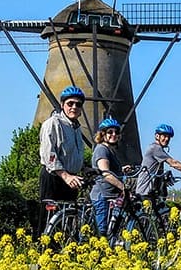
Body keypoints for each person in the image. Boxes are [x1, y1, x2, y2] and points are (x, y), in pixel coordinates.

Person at [38, 86, 87, 233]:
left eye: (78, 104)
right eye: (70, 103)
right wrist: (65, 176)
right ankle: (44, 250)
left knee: (67, 220)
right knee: (50, 220)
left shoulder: (76, 128)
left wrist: (84, 168)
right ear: (62, 105)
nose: (74, 107)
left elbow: (71, 154)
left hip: (71, 180)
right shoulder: (52, 124)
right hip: (54, 178)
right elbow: (49, 154)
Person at [89, 118, 127, 235]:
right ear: (103, 134)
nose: (114, 135)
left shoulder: (109, 150)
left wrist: (121, 170)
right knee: (101, 232)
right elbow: (105, 173)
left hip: (109, 196)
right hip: (102, 195)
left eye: (116, 132)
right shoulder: (101, 150)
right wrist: (123, 187)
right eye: (110, 132)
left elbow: (109, 170)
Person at [135, 124, 181, 198]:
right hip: (145, 192)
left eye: (169, 137)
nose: (167, 139)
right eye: (164, 136)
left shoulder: (157, 148)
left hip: (151, 191)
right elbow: (173, 163)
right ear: (157, 136)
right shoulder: (155, 148)